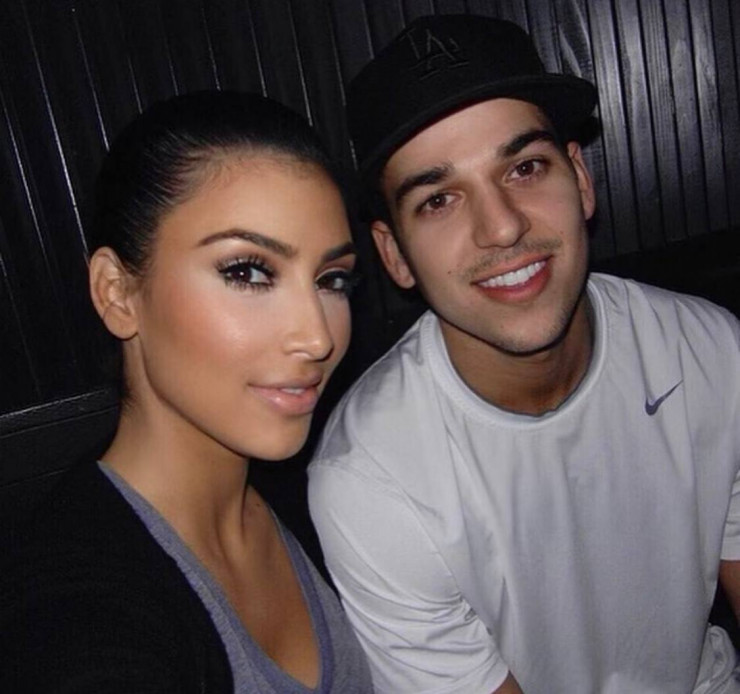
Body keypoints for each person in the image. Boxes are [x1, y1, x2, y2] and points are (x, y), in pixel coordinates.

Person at [307, 14, 740, 694]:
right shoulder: (372, 481)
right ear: (394, 254)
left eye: (525, 167)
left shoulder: (710, 351)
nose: (503, 226)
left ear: (581, 178)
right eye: (439, 199)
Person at [0, 90, 373, 693]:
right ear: (118, 293)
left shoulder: (312, 492)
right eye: (247, 272)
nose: (317, 336)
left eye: (331, 280)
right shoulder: (71, 616)